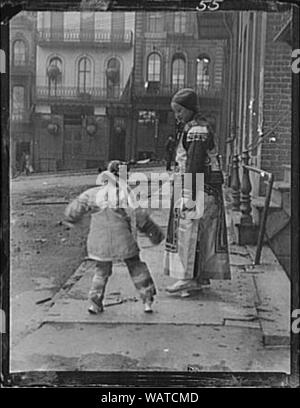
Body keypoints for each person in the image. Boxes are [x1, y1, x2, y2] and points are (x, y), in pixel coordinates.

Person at [64, 160, 160, 314]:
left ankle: (94, 302)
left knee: (101, 270)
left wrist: (71, 219)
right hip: (123, 239)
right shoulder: (125, 194)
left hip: (99, 241)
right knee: (136, 266)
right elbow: (139, 216)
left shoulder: (92, 193)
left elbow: (75, 209)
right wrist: (153, 233)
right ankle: (147, 300)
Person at [164, 88, 230, 294]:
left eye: (180, 111)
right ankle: (199, 277)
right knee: (202, 233)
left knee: (188, 231)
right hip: (206, 189)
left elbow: (193, 164)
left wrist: (187, 195)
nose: (177, 115)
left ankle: (186, 278)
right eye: (175, 112)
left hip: (198, 188)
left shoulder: (196, 131)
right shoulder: (197, 127)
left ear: (190, 109)